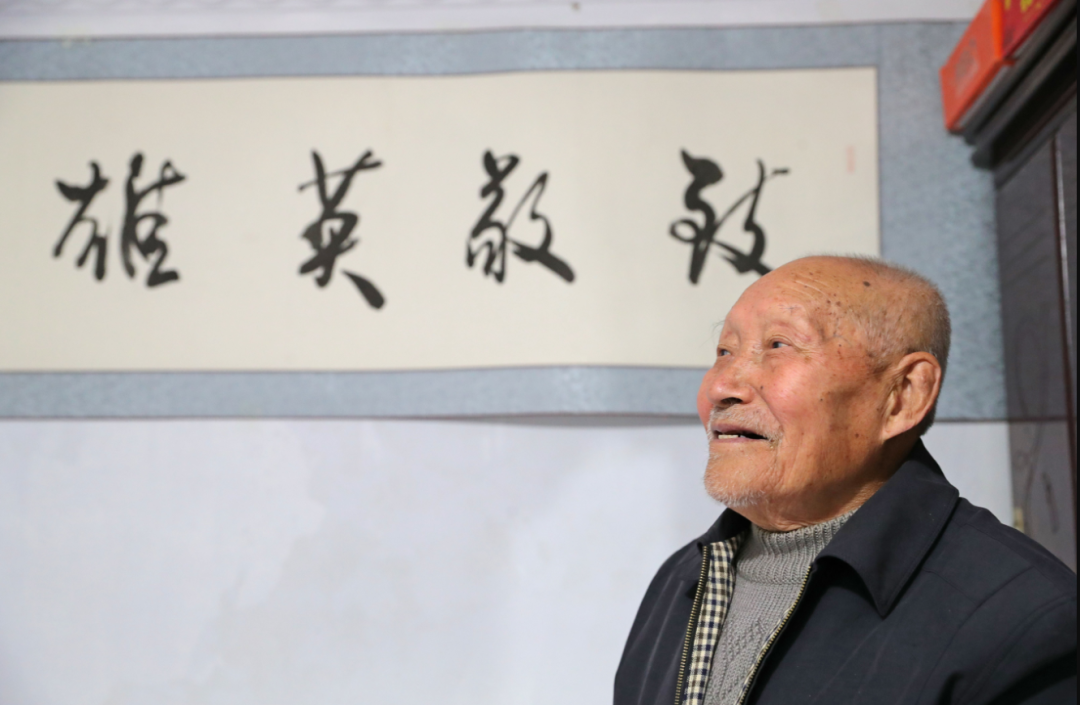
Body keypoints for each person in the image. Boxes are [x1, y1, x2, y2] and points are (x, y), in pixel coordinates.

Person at [615, 256, 1076, 705]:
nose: (721, 387)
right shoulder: (684, 577)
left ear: (903, 395)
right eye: (724, 351)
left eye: (778, 345)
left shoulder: (1023, 619)